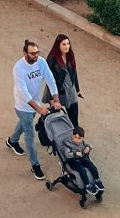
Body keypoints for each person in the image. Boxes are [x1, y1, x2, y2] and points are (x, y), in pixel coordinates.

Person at [6, 38, 60, 181]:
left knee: (26, 122)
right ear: (25, 53)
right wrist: (39, 109)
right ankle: (35, 165)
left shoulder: (41, 62)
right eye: (32, 54)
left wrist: (56, 100)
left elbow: (50, 79)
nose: (36, 56)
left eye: (37, 52)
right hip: (23, 105)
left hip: (34, 104)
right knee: (30, 135)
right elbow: (24, 94)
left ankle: (12, 141)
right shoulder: (18, 68)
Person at [47, 32, 83, 129]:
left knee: (74, 118)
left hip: (70, 90)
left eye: (68, 44)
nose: (66, 46)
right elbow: (49, 80)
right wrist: (52, 99)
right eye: (63, 44)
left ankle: (75, 138)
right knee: (55, 118)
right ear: (58, 45)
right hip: (58, 92)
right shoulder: (52, 59)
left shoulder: (70, 55)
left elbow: (74, 73)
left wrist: (77, 89)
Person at [66, 127, 103, 195]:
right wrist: (75, 153)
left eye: (79, 138)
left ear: (82, 138)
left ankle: (97, 180)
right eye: (75, 137)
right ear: (72, 136)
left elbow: (89, 145)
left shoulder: (82, 142)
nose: (77, 140)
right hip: (72, 161)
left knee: (91, 165)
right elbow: (67, 154)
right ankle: (87, 185)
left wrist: (88, 148)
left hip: (81, 158)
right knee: (82, 170)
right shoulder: (67, 144)